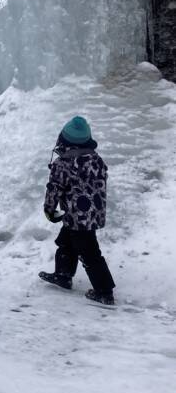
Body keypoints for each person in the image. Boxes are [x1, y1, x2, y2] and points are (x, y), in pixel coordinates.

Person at [39, 116, 116, 305]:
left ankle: (104, 291)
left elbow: (54, 188)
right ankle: (63, 275)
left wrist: (49, 209)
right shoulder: (96, 159)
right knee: (66, 241)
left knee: (89, 252)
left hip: (77, 216)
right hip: (91, 214)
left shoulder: (63, 163)